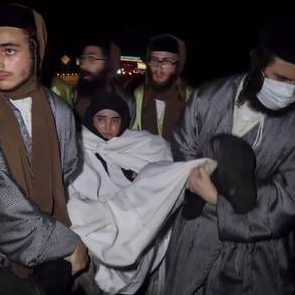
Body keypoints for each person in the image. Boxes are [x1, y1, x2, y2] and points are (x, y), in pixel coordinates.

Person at [165, 18, 295, 294]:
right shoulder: (208, 97)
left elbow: (290, 198)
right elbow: (183, 150)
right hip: (195, 239)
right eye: (282, 79)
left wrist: (218, 199)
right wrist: (193, 180)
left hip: (257, 251)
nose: (290, 91)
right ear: (258, 63)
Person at [0, 3, 88, 295]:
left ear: (36, 50)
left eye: (9, 50)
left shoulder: (59, 110)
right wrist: (66, 243)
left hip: (50, 254)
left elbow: (69, 172)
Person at [67, 92, 213, 294]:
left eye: (115, 120)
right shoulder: (78, 145)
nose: (108, 127)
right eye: (101, 119)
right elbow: (78, 186)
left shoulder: (141, 143)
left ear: (124, 121)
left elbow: (165, 166)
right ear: (91, 118)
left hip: (138, 209)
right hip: (104, 214)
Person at [51, 37, 135, 123]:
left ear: (107, 63)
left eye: (91, 59)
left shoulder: (125, 102)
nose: (83, 66)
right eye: (82, 59)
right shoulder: (71, 97)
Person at [131, 34, 191, 142]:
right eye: (154, 60)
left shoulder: (190, 97)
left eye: (166, 61)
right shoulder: (139, 94)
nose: (158, 67)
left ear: (177, 65)